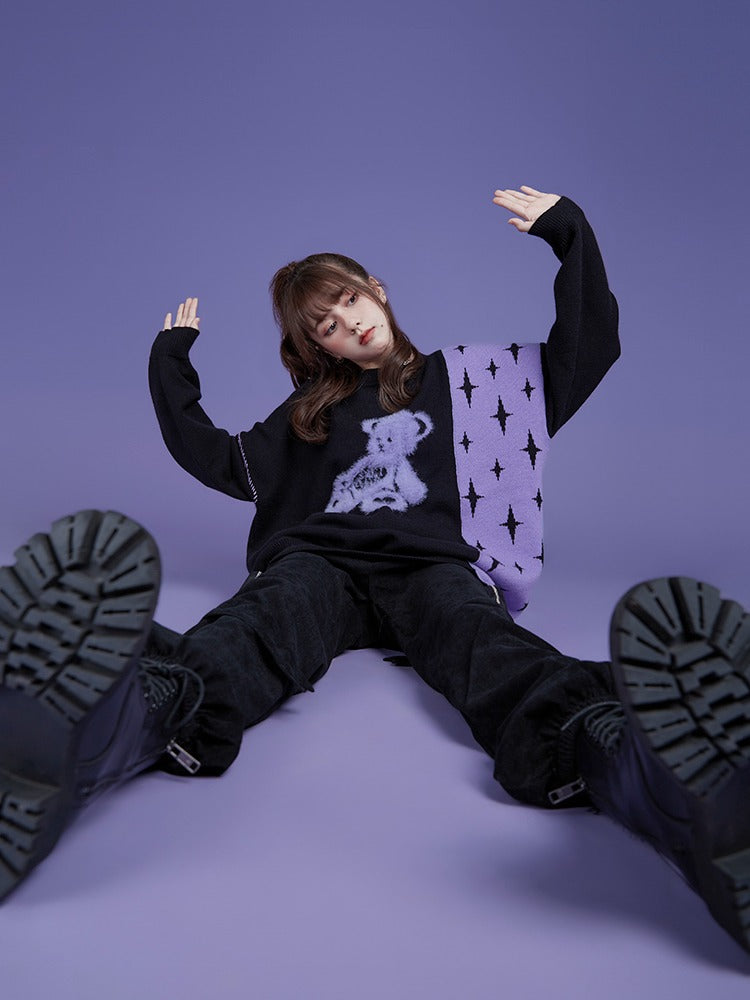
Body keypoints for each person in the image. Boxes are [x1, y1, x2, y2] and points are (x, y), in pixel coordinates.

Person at [1, 186, 749, 955]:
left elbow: (586, 348)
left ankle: (627, 758)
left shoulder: (474, 382)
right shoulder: (310, 415)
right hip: (323, 560)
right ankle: (128, 713)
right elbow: (220, 458)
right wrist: (171, 364)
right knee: (263, 618)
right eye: (326, 324)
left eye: (350, 300)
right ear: (320, 347)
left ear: (377, 290)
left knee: (478, 636)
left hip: (433, 563)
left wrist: (570, 234)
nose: (348, 323)